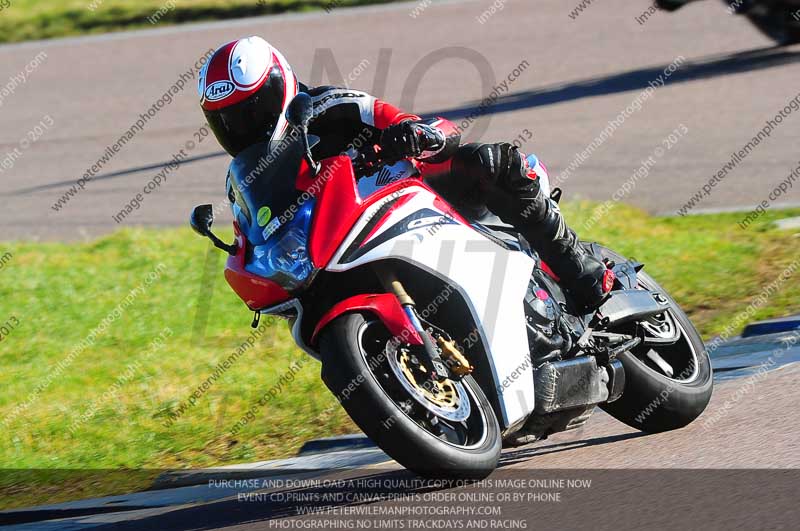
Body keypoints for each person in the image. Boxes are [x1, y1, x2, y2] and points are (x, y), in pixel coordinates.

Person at [198, 37, 612, 310]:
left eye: (255, 109)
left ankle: (578, 268)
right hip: (345, 242)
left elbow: (386, 114)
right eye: (228, 121)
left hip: (411, 186)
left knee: (490, 162)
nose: (244, 127)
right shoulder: (250, 178)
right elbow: (250, 231)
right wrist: (243, 253)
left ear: (282, 83)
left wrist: (407, 131)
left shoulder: (327, 105)